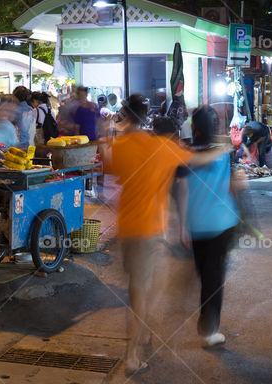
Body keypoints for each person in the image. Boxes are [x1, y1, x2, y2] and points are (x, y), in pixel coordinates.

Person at [101, 94, 226, 376]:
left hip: (127, 230)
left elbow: (112, 173)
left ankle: (143, 334)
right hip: (148, 231)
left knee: (147, 286)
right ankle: (132, 357)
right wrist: (222, 149)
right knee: (141, 296)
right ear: (146, 117)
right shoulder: (162, 148)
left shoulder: (119, 146)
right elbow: (200, 158)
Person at [175, 106, 244, 348]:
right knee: (213, 277)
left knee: (206, 273)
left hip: (195, 224)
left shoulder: (184, 155)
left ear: (194, 128)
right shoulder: (223, 153)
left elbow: (181, 191)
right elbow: (233, 186)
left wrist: (182, 225)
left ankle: (208, 324)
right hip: (221, 223)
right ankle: (208, 329)